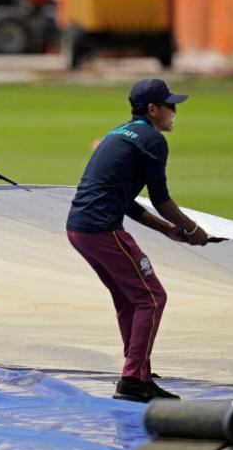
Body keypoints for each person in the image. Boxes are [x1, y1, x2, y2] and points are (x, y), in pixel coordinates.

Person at [66, 78, 208, 403]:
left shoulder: (119, 133)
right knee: (152, 297)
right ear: (153, 109)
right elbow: (161, 199)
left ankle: (139, 373)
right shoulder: (152, 140)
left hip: (79, 228)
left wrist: (165, 230)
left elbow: (127, 202)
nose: (174, 111)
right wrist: (191, 228)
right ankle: (132, 380)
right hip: (101, 228)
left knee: (129, 299)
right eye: (169, 106)